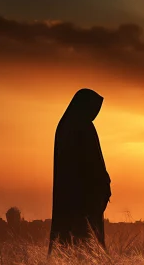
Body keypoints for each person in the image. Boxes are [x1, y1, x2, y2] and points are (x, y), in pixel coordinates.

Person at [48, 88, 111, 254]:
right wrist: (104, 184)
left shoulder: (65, 126)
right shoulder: (83, 127)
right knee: (87, 240)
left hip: (69, 196)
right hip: (85, 198)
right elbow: (93, 162)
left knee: (69, 239)